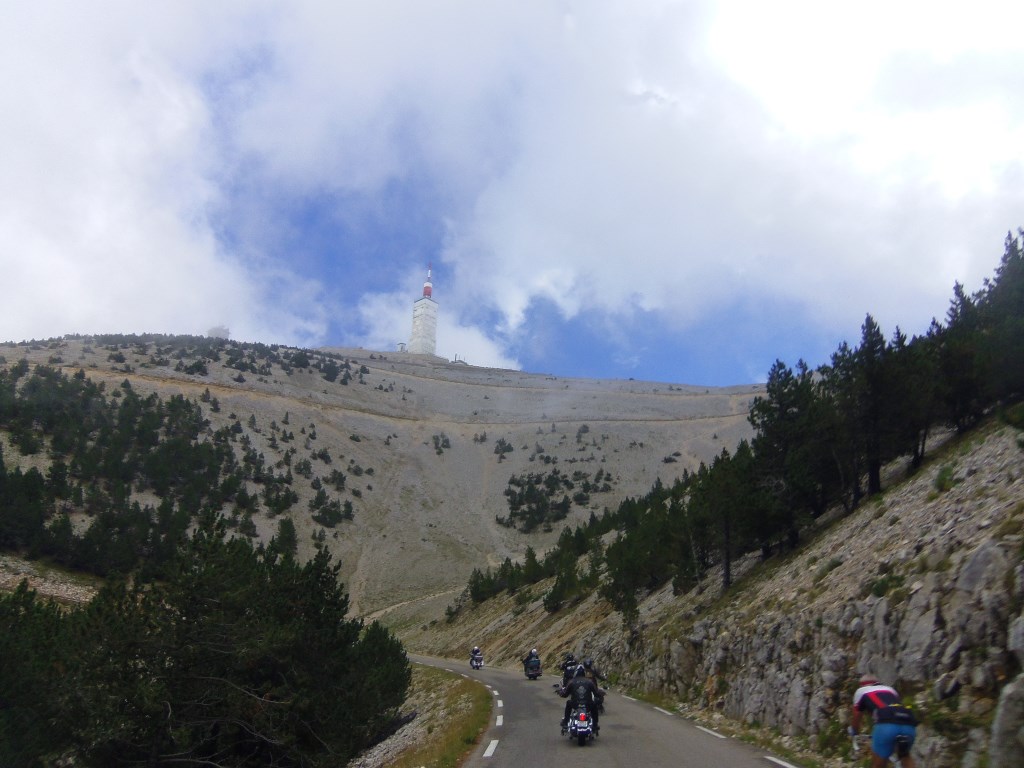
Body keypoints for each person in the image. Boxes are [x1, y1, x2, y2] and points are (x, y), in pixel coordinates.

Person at [850, 675, 918, 767]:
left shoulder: (861, 691)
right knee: (905, 755)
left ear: (862, 685)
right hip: (908, 722)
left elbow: (856, 716)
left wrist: (855, 733)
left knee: (878, 763)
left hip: (886, 725)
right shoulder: (890, 689)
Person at [559, 664, 600, 732]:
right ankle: (595, 725)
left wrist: (561, 692)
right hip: (588, 704)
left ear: (575, 672)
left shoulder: (571, 681)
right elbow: (596, 693)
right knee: (594, 705)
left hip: (575, 704)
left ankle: (566, 722)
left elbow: (565, 694)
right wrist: (601, 694)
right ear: (584, 672)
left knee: (568, 703)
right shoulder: (589, 681)